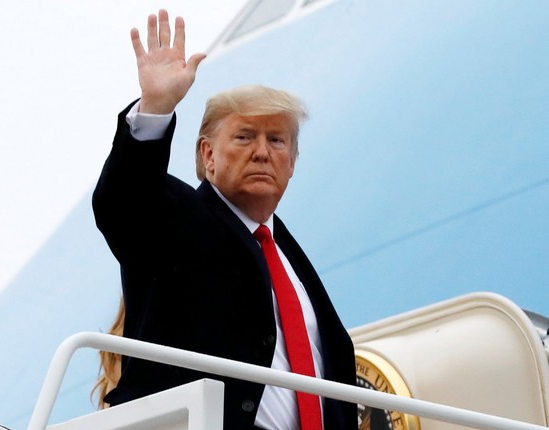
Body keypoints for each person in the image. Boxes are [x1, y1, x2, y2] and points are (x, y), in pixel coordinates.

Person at [92, 9, 356, 429]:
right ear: (208, 155)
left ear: (292, 163)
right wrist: (156, 108)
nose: (262, 152)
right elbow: (123, 203)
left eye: (277, 140)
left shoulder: (289, 259)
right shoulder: (176, 219)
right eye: (244, 136)